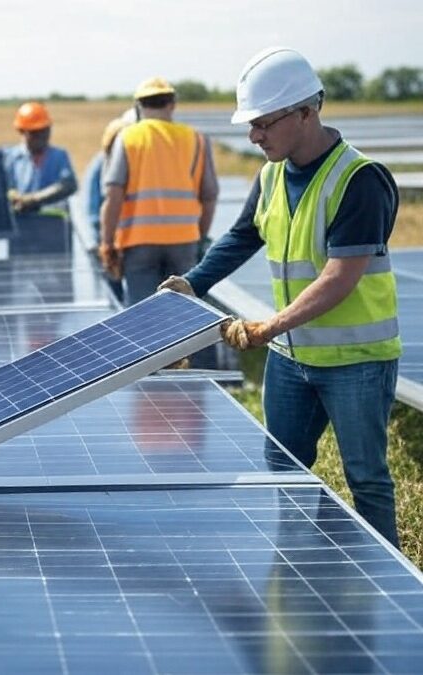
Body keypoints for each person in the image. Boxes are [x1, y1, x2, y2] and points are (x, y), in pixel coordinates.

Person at [159, 47, 401, 546]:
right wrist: (194, 281)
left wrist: (267, 327)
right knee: (283, 465)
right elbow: (243, 236)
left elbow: (340, 276)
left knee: (366, 478)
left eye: (264, 123)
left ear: (307, 112)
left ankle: (385, 592)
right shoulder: (270, 174)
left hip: (355, 360)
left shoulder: (359, 181)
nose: (254, 136)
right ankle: (302, 562)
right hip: (293, 358)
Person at [100, 77, 219, 305]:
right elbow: (210, 196)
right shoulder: (197, 139)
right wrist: (199, 236)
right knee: (184, 315)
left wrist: (107, 243)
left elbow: (113, 195)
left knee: (144, 317)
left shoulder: (128, 137)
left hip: (138, 242)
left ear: (139, 106)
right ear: (172, 103)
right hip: (184, 241)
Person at [82, 111, 134, 301]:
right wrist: (99, 243)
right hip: (105, 241)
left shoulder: (131, 165)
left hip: (127, 241)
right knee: (113, 293)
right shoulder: (100, 164)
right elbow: (90, 208)